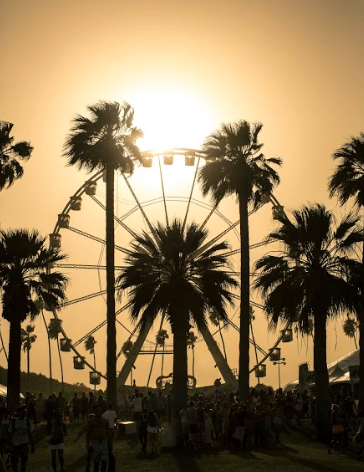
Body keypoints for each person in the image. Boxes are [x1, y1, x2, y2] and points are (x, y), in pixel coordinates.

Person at [85, 405, 112, 472]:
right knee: (96, 463)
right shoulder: (91, 421)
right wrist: (88, 444)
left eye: (100, 411)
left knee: (104, 461)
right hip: (95, 443)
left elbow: (108, 432)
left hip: (104, 442)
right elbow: (88, 433)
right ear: (94, 412)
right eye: (97, 411)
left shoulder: (105, 421)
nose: (99, 413)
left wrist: (110, 443)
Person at [8, 405, 35, 472]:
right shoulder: (14, 422)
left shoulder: (28, 422)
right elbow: (10, 434)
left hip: (24, 445)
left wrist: (32, 445)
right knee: (14, 463)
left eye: (24, 411)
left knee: (24, 463)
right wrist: (9, 445)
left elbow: (30, 434)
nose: (24, 413)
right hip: (15, 445)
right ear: (18, 413)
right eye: (22, 411)